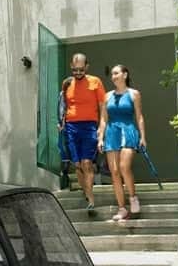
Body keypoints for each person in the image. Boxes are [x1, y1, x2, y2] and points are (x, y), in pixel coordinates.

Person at [58, 52, 106, 214]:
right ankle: (86, 192)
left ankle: (91, 200)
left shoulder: (95, 82)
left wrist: (101, 126)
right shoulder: (66, 84)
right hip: (71, 127)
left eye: (81, 70)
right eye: (75, 70)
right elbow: (63, 105)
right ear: (72, 67)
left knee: (87, 163)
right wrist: (61, 122)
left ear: (86, 67)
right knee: (77, 165)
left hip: (89, 127)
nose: (78, 73)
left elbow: (102, 106)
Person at [97, 64, 147, 221]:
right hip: (112, 133)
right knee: (114, 172)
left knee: (124, 167)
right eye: (112, 74)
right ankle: (121, 208)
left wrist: (143, 137)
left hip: (128, 130)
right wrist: (100, 138)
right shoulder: (107, 96)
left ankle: (133, 198)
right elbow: (104, 118)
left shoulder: (134, 94)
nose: (113, 76)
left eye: (116, 73)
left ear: (125, 75)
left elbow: (139, 116)